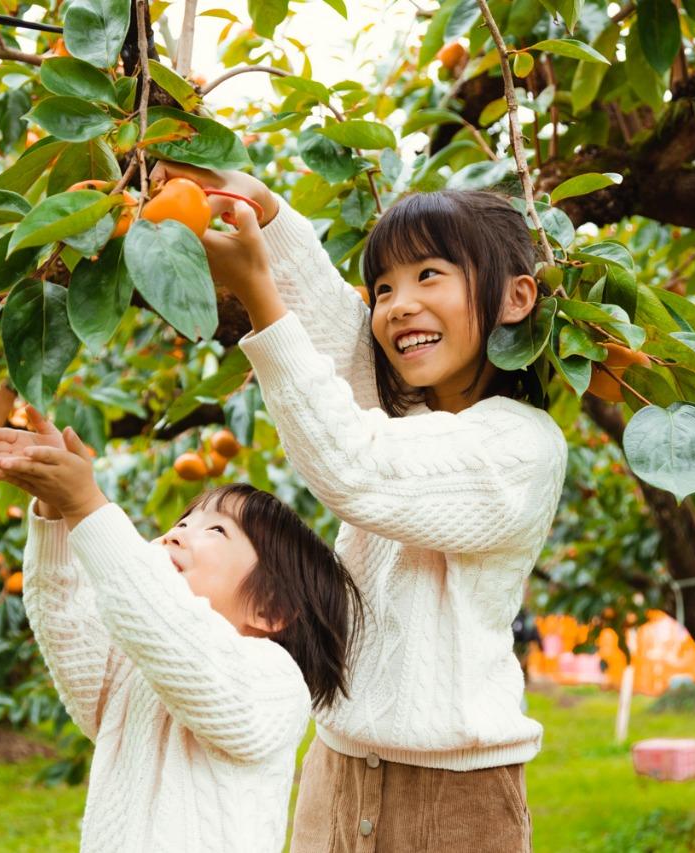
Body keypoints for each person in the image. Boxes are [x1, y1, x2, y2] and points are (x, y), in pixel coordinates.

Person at [152, 161, 568, 851]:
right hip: (335, 769)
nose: (398, 303)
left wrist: (257, 289)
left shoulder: (521, 448)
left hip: (454, 796)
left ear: (516, 298)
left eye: (429, 275)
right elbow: (332, 329)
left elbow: (358, 467)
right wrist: (268, 212)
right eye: (383, 287)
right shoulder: (406, 409)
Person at [0, 407, 362, 853]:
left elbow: (164, 623)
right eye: (181, 524)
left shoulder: (273, 682)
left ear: (271, 609)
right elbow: (68, 626)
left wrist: (87, 507)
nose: (176, 535)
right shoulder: (144, 670)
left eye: (216, 530)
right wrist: (57, 515)